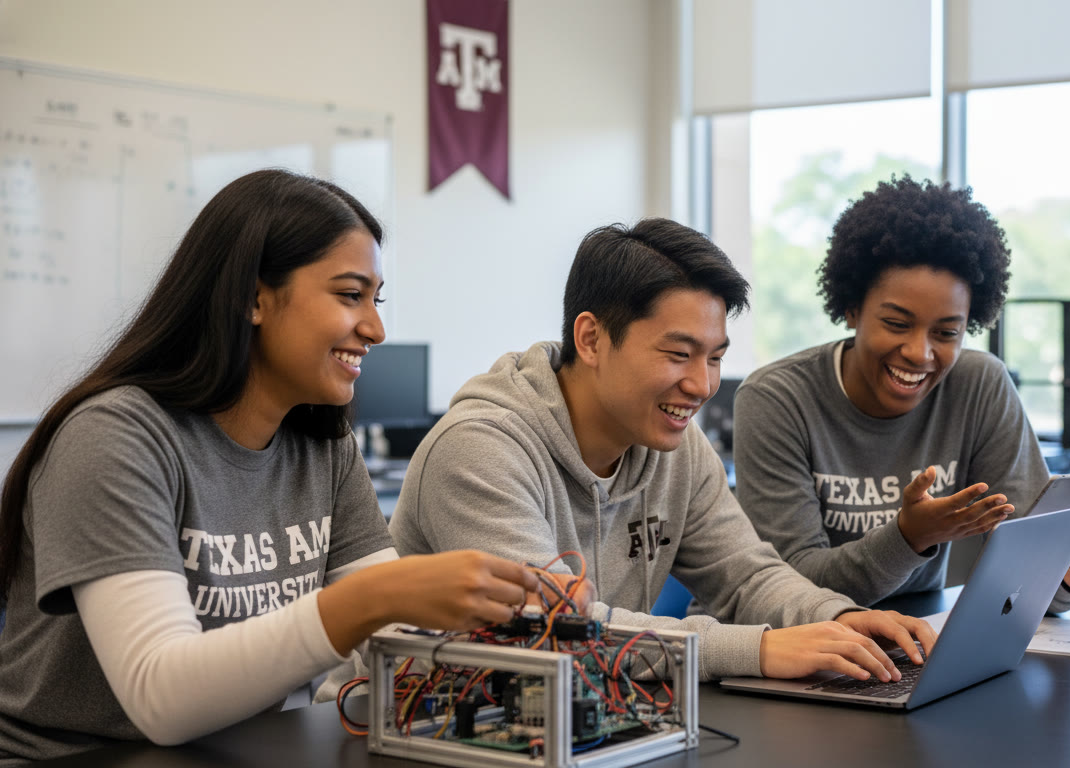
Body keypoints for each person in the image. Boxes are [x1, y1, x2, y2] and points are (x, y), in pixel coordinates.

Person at [0, 169, 539, 764]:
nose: (376, 329)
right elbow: (162, 698)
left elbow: (398, 642)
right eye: (349, 294)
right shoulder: (113, 437)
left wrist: (521, 616)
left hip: (233, 751)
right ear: (253, 298)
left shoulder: (322, 444)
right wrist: (379, 597)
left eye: (376, 299)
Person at [390, 218, 937, 687]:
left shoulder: (674, 445)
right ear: (591, 339)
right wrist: (761, 650)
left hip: (575, 718)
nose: (702, 385)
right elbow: (549, 634)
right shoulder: (479, 450)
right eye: (679, 354)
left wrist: (838, 617)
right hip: (399, 729)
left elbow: (746, 576)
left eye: (715, 357)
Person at [733, 175, 1070, 610]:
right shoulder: (777, 399)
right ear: (851, 310)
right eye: (897, 324)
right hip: (781, 648)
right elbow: (791, 592)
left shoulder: (979, 385)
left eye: (946, 332)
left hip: (911, 640)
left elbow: (1029, 566)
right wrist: (909, 537)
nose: (920, 354)